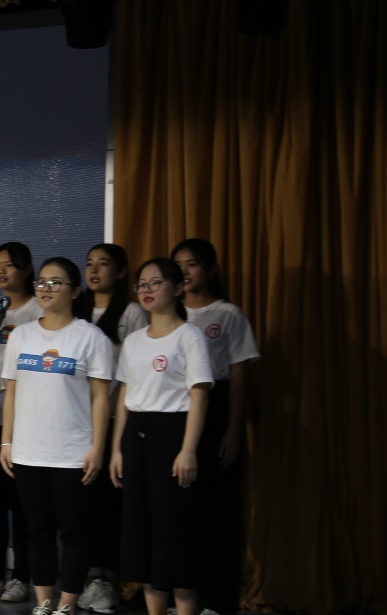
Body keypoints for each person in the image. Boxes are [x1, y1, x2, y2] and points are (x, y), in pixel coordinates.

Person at [0, 257, 113, 615]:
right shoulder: (21, 335)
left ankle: (68, 604)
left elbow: (100, 397)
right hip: (28, 451)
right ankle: (44, 602)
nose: (46, 289)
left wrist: (98, 447)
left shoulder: (90, 337)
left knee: (74, 532)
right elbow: (11, 392)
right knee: (38, 531)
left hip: (72, 452)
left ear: (75, 291)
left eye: (56, 283)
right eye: (42, 282)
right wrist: (6, 441)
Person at [110, 257, 213, 615]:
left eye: (156, 283)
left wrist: (188, 450)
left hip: (173, 435)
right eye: (142, 284)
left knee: (175, 530)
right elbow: (124, 397)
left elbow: (199, 395)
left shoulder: (189, 336)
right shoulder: (134, 340)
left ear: (178, 287)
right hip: (136, 435)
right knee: (142, 532)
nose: (147, 290)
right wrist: (117, 450)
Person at [171, 239, 259, 615]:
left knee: (216, 510)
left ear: (210, 270)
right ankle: (183, 598)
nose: (184, 271)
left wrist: (233, 432)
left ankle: (217, 602)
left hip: (216, 408)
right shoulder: (168, 314)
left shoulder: (228, 314)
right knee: (180, 511)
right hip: (175, 409)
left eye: (192, 264)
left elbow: (238, 378)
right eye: (178, 264)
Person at [77, 244, 147, 613]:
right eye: (89, 264)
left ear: (120, 272)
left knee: (110, 503)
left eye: (103, 264)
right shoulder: (76, 310)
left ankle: (114, 578)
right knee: (82, 505)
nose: (94, 270)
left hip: (116, 418)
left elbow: (134, 369)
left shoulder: (131, 312)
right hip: (77, 420)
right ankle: (90, 576)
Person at [0, 241, 40, 603]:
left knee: (24, 505)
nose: (1, 271)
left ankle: (23, 577)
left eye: (10, 265)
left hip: (25, 421)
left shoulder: (37, 309)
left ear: (27, 269)